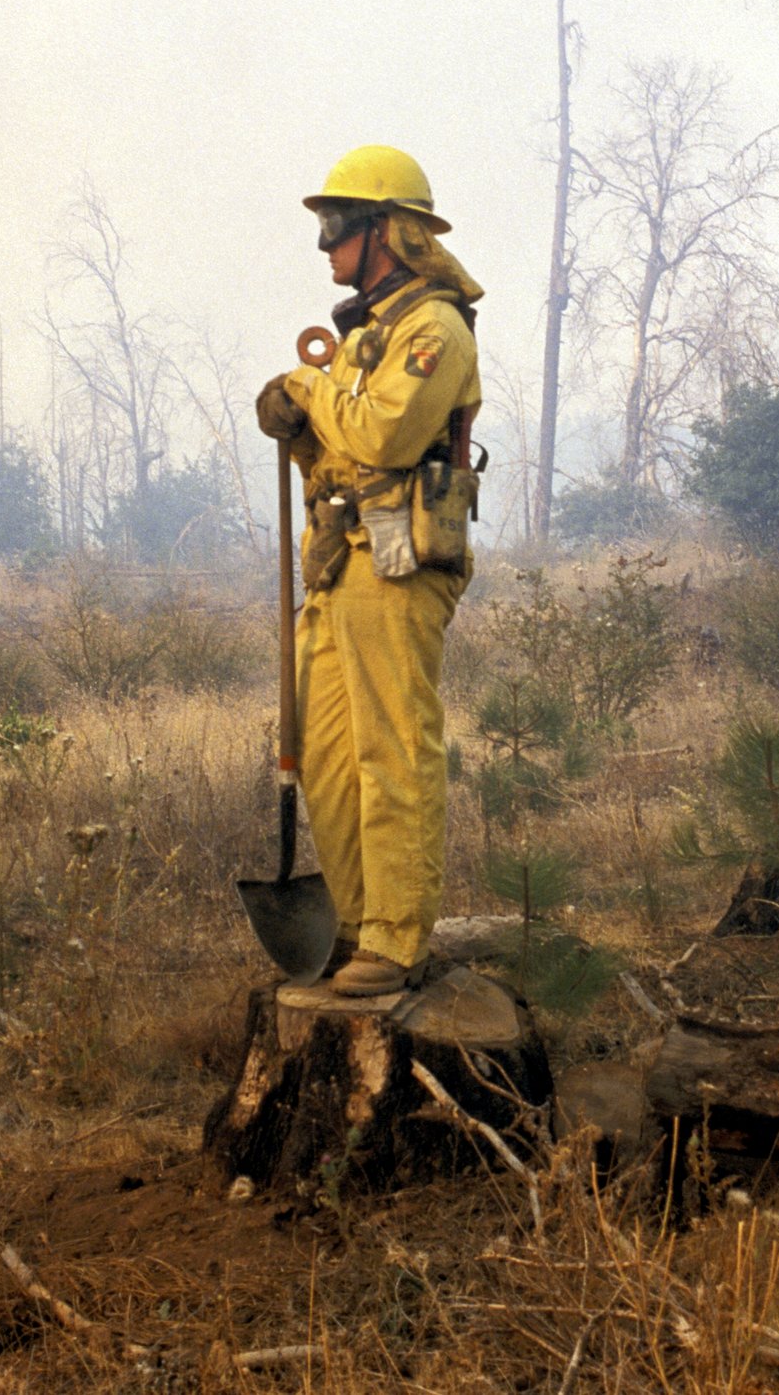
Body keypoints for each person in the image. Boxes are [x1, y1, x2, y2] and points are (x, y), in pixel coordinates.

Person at [255, 145, 482, 997]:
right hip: (341, 562)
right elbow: (341, 450)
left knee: (392, 749)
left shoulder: (434, 331)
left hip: (400, 560)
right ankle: (355, 925)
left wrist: (308, 391)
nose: (326, 246)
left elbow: (384, 438)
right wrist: (297, 417)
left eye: (337, 225)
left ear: (389, 231)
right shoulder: (366, 336)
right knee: (328, 753)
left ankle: (397, 935)